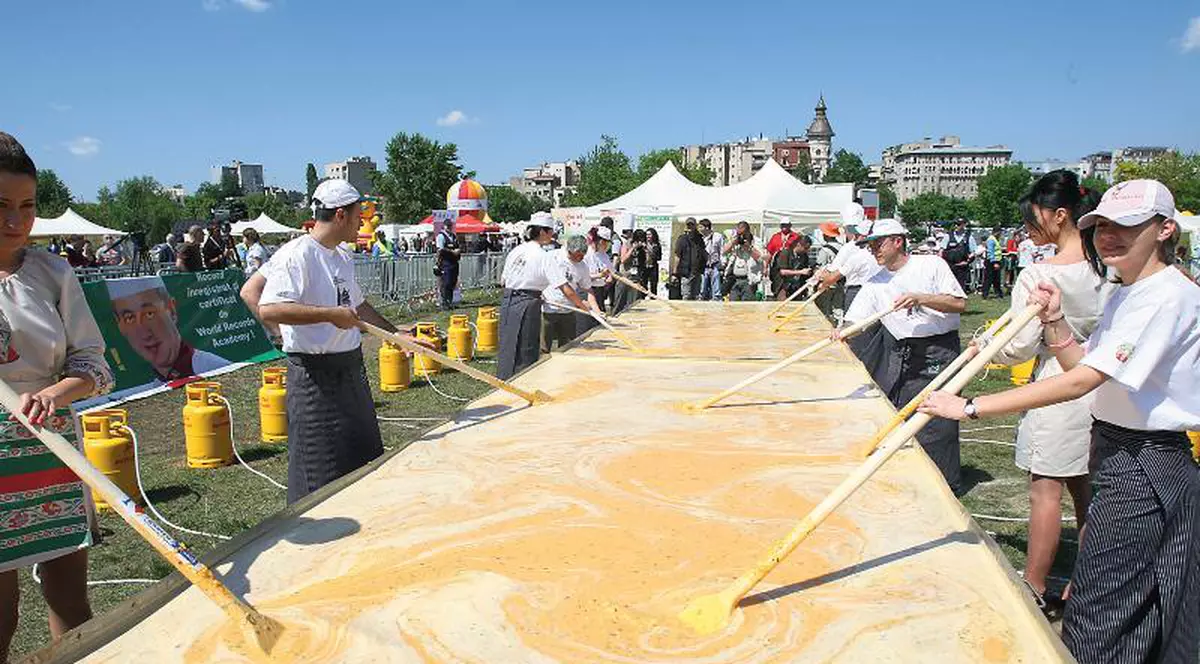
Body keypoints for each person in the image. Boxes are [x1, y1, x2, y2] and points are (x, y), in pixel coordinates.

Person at [920, 179, 1199, 664]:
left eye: (1127, 225)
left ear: (1164, 229)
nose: (1110, 235)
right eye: (1103, 225)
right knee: (1126, 595)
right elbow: (1080, 362)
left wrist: (968, 407)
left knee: (1104, 606)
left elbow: (1080, 382)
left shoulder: (1167, 295)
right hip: (1115, 445)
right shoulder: (1124, 290)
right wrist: (1054, 320)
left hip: (1147, 458)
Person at [0, 132, 115, 661]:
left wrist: (55, 393)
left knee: (70, 597)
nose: (15, 222)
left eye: (26, 206)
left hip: (49, 446)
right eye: (1, 206)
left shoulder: (53, 272)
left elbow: (93, 363)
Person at [258, 180, 424, 504]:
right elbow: (269, 308)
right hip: (314, 376)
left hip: (349, 368)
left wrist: (394, 333)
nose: (362, 222)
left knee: (363, 455)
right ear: (339, 215)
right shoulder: (297, 255)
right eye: (358, 214)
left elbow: (358, 306)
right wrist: (329, 314)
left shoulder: (342, 257)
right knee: (319, 469)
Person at [988, 173, 1109, 615]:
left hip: (1059, 380)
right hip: (1102, 381)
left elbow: (1019, 343)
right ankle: (1085, 581)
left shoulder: (1040, 273)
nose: (1029, 224)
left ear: (1060, 215)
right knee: (1086, 490)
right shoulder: (1109, 267)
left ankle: (1035, 584)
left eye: (1035, 216)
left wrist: (989, 349)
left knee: (1046, 488)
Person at [836, 218, 967, 491]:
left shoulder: (931, 265)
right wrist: (842, 334)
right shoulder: (875, 282)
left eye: (878, 244)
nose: (874, 251)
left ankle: (943, 485)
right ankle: (907, 477)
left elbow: (958, 303)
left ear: (898, 241)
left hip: (937, 349)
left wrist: (921, 298)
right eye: (870, 246)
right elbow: (855, 321)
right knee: (895, 411)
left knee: (935, 416)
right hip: (900, 350)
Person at [497, 212, 590, 379]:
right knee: (526, 348)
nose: (552, 235)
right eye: (550, 232)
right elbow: (566, 289)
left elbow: (503, 281)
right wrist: (584, 307)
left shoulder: (516, 251)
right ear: (542, 232)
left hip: (508, 302)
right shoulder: (544, 256)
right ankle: (522, 383)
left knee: (508, 345)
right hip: (527, 304)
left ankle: (504, 380)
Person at [108, 277, 230, 381]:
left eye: (149, 314)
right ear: (120, 327)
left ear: (171, 310)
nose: (144, 332)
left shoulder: (217, 370)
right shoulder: (145, 390)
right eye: (129, 318)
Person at [541, 235, 598, 353]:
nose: (581, 258)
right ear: (570, 250)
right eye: (578, 255)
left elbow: (588, 289)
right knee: (543, 346)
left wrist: (595, 309)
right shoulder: (552, 257)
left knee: (567, 346)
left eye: (583, 255)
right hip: (548, 308)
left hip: (568, 310)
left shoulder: (583, 266)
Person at [819, 203, 881, 310]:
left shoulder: (852, 250)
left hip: (856, 290)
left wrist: (822, 282)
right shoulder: (879, 252)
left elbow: (832, 273)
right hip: (876, 291)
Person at [612, 229, 649, 314]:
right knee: (619, 302)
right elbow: (623, 260)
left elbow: (647, 262)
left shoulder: (643, 248)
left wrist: (646, 250)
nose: (640, 242)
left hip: (636, 279)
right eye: (638, 240)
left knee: (634, 303)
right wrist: (633, 248)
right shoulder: (627, 244)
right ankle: (615, 317)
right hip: (625, 277)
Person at [724, 221, 762, 301]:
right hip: (734, 280)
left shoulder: (756, 241)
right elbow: (724, 252)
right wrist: (732, 243)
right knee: (732, 306)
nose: (741, 236)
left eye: (743, 234)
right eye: (739, 234)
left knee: (747, 307)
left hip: (749, 281)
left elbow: (761, 258)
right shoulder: (735, 240)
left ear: (748, 232)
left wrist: (749, 248)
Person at [583, 225, 615, 319]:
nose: (607, 246)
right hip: (588, 292)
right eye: (606, 243)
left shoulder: (603, 255)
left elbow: (611, 271)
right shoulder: (586, 254)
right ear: (600, 242)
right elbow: (583, 277)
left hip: (600, 291)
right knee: (590, 320)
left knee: (601, 317)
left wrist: (610, 277)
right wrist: (600, 275)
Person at [671, 218, 707, 300]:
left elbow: (703, 253)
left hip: (697, 273)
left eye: (692, 224)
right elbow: (677, 256)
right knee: (686, 296)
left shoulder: (700, 239)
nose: (690, 226)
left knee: (697, 297)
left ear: (695, 226)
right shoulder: (682, 239)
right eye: (688, 225)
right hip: (686, 273)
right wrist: (674, 274)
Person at [814, 221, 843, 318]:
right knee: (838, 309)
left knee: (825, 311)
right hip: (840, 282)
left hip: (827, 284)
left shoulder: (825, 250)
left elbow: (820, 268)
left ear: (826, 235)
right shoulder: (843, 248)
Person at [771, 234, 812, 301]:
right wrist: (800, 272)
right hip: (783, 287)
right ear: (798, 245)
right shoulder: (785, 253)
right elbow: (783, 271)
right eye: (805, 248)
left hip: (797, 288)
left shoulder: (804, 256)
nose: (806, 251)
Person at [435, 218, 461, 311]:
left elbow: (457, 246)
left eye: (450, 225)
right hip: (446, 263)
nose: (449, 227)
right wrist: (452, 252)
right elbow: (440, 249)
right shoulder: (441, 236)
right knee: (446, 283)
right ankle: (444, 303)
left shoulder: (453, 236)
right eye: (448, 226)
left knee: (452, 283)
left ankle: (449, 302)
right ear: (444, 226)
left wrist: (458, 251)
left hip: (454, 263)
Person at [698, 219, 725, 301]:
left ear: (706, 227)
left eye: (700, 227)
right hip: (704, 266)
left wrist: (722, 264)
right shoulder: (700, 238)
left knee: (716, 288)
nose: (699, 229)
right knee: (703, 288)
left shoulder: (717, 236)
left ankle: (716, 300)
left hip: (715, 264)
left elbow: (722, 250)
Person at [943, 218, 973, 290]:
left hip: (961, 267)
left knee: (960, 287)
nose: (956, 226)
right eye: (955, 224)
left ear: (964, 225)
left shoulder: (969, 237)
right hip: (949, 266)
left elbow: (973, 252)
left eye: (959, 224)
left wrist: (967, 262)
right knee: (948, 286)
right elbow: (941, 251)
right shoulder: (948, 236)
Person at [982, 226, 1004, 298]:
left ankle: (999, 293)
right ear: (997, 232)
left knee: (997, 279)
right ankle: (985, 294)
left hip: (996, 260)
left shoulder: (995, 239)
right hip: (991, 262)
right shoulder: (991, 240)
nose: (1001, 234)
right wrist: (994, 263)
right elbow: (990, 252)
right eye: (1000, 232)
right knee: (988, 278)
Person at [645, 228, 663, 298]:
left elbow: (658, 257)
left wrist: (650, 252)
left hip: (653, 266)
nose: (648, 236)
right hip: (644, 267)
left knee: (654, 285)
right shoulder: (643, 244)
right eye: (646, 234)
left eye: (649, 234)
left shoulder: (657, 245)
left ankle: (653, 299)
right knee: (643, 285)